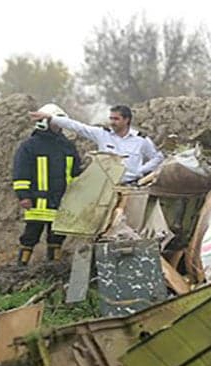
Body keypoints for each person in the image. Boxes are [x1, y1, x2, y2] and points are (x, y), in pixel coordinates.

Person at [12, 104, 82, 265]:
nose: (59, 125)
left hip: (61, 202)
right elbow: (21, 172)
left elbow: (75, 173)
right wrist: (23, 196)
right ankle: (21, 267)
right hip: (37, 203)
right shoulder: (30, 146)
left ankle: (53, 267)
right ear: (44, 122)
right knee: (30, 236)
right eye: (55, 121)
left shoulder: (68, 146)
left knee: (57, 236)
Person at [28, 105, 164, 183]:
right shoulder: (102, 134)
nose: (112, 122)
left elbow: (157, 158)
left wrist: (140, 171)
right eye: (111, 118)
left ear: (127, 120)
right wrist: (51, 118)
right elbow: (78, 127)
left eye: (116, 119)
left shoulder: (140, 140)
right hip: (105, 187)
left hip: (131, 186)